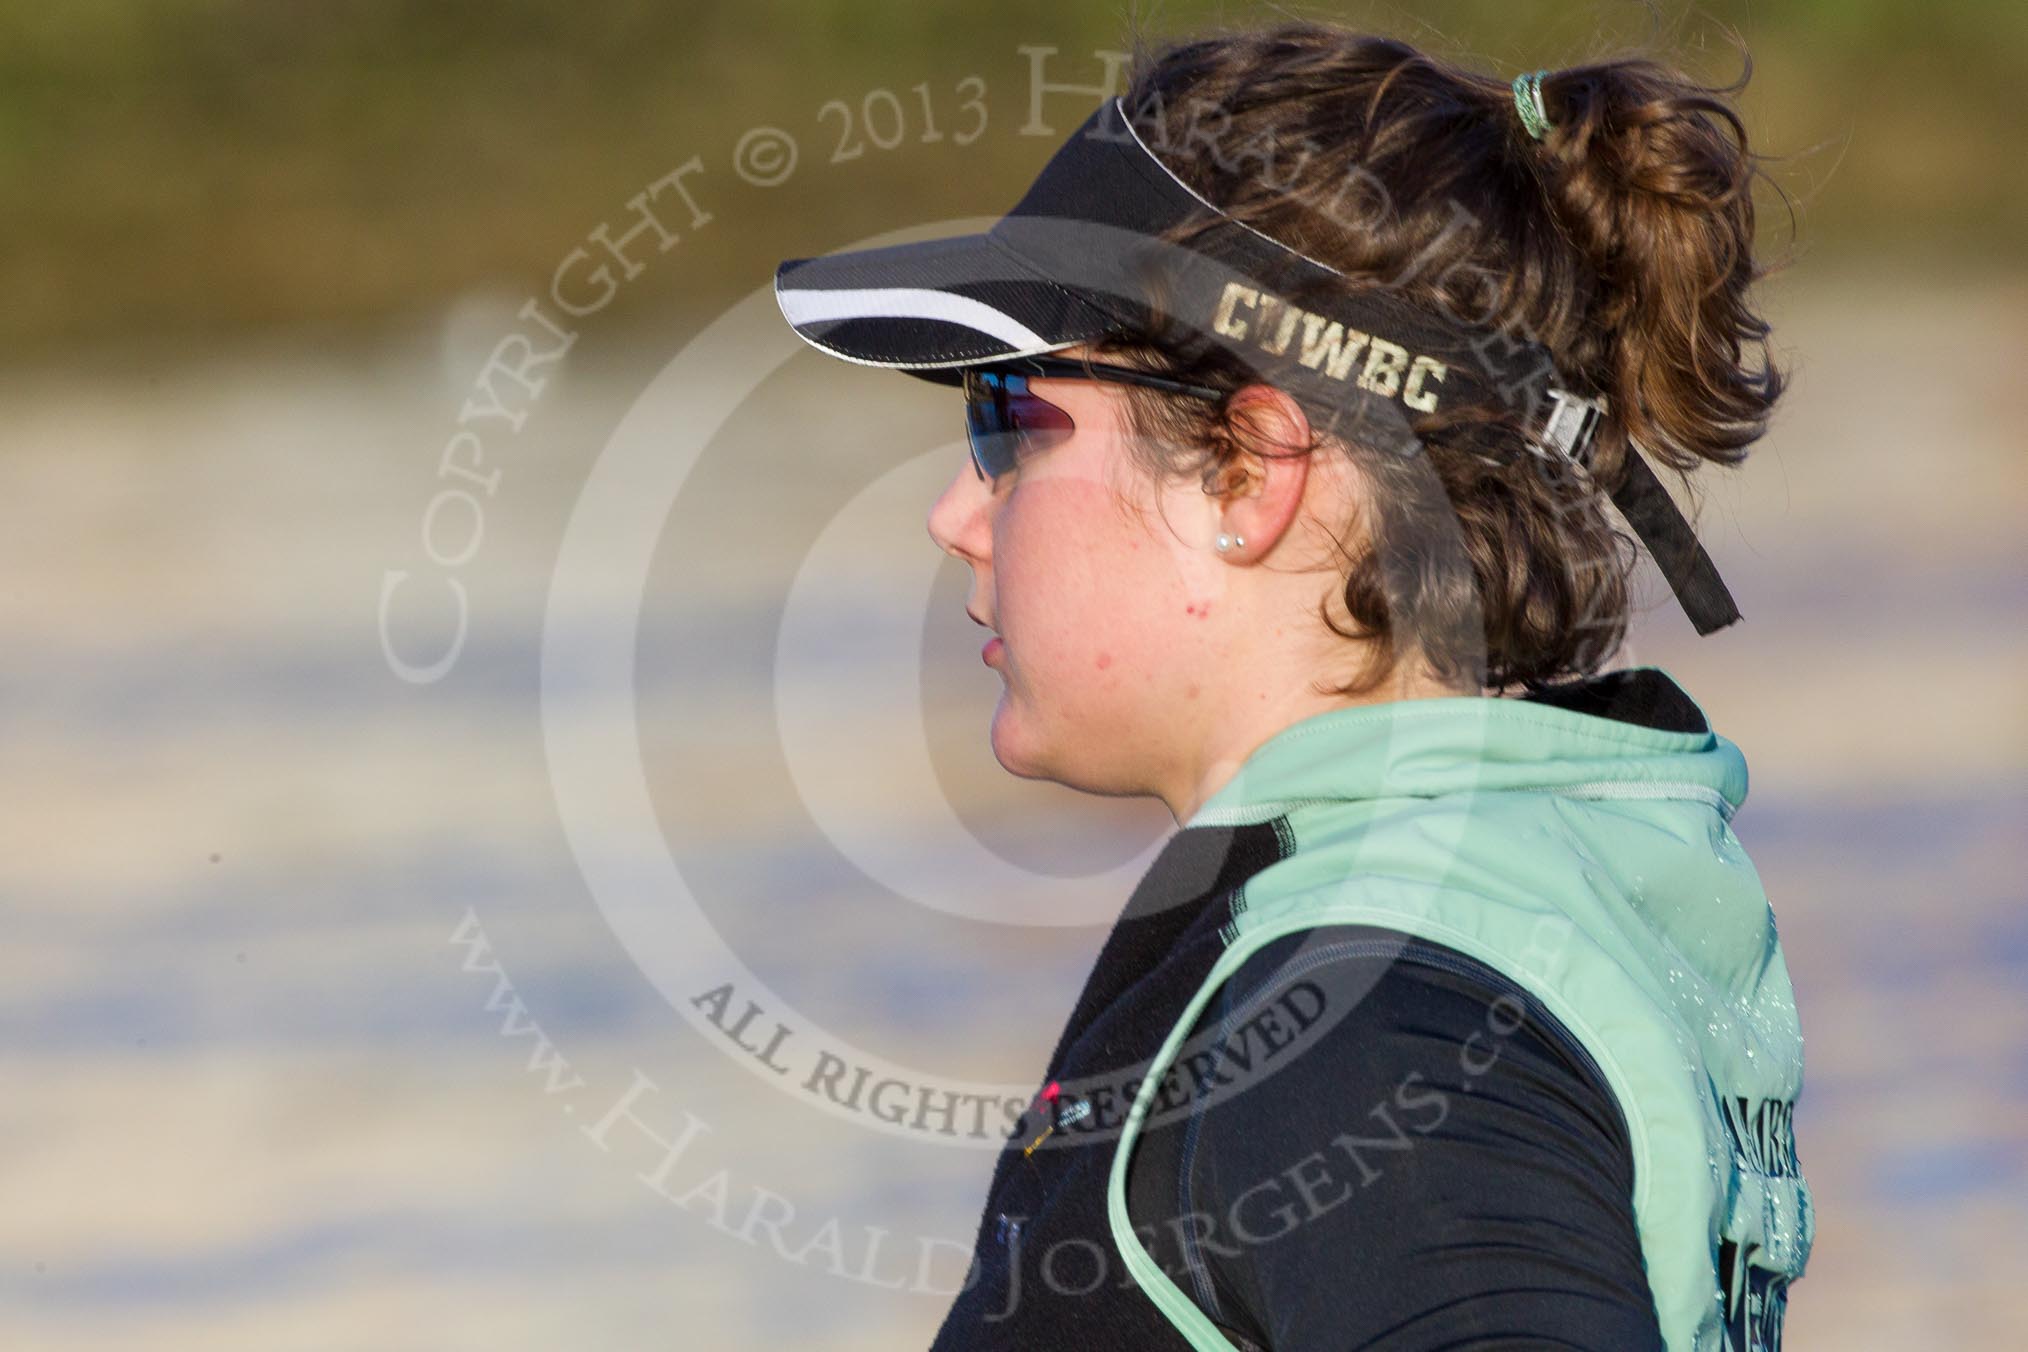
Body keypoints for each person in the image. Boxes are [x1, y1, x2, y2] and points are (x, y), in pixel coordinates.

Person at [774, 20, 1811, 1352]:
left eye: (1005, 419)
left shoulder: (1368, 1027)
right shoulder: (1520, 892)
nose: (953, 513)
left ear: (1249, 475)